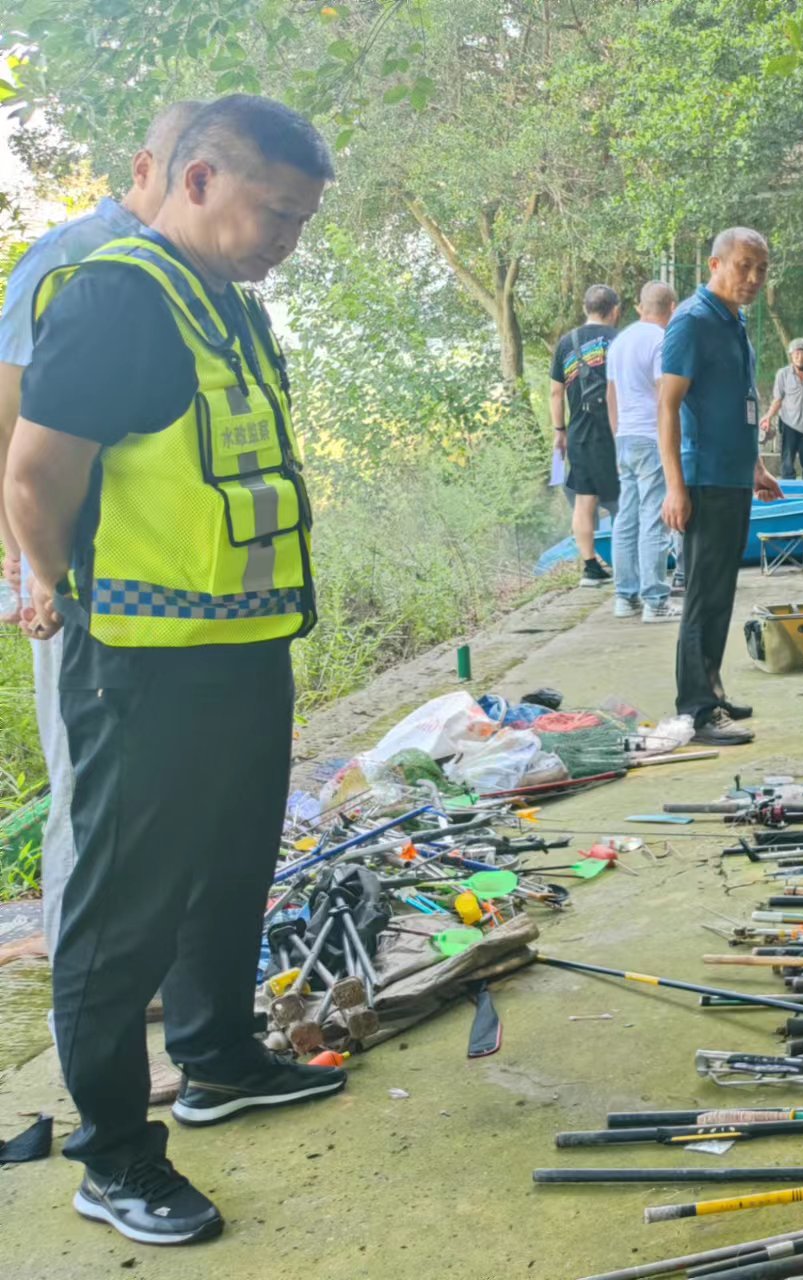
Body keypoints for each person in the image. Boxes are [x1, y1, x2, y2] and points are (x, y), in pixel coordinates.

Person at [6, 94, 344, 1247]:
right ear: (197, 179)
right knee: (121, 909)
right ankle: (113, 1152)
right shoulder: (114, 297)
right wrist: (57, 591)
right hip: (140, 663)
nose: (287, 237)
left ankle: (217, 1058)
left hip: (241, 645)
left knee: (232, 860)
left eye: (302, 219)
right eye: (275, 211)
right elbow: (36, 475)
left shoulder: (230, 308)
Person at [0, 99, 203, 970]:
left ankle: (151, 959)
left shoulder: (193, 273)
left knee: (163, 776)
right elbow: (16, 428)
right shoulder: (71, 261)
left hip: (172, 579)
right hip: (82, 573)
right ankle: (93, 973)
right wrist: (35, 573)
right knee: (92, 772)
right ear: (150, 167)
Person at [658, 227, 783, 748]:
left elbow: (737, 404)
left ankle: (713, 687)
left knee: (722, 593)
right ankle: (697, 708)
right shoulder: (691, 321)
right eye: (742, 266)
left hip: (733, 475)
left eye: (761, 269)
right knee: (703, 596)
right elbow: (666, 406)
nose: (752, 278)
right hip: (702, 478)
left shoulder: (734, 322)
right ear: (715, 264)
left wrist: (754, 465)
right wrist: (674, 487)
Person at [606, 280, 679, 622]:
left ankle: (625, 598)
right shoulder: (661, 340)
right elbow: (666, 395)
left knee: (625, 518)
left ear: (640, 307)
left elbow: (611, 394)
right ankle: (655, 602)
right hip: (652, 438)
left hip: (624, 438)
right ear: (673, 308)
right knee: (654, 518)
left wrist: (617, 433)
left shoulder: (620, 341)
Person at [552, 285, 622, 587]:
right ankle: (627, 566)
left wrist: (559, 431)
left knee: (585, 500)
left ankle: (590, 567)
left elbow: (556, 392)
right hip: (615, 432)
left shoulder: (567, 342)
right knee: (622, 502)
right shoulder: (620, 341)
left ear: (585, 308)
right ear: (615, 310)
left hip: (580, 432)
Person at [762, 336, 803, 481]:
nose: (800, 358)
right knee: (787, 463)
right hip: (789, 424)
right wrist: (768, 416)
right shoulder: (783, 374)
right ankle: (789, 493)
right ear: (791, 356)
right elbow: (778, 399)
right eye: (796, 354)